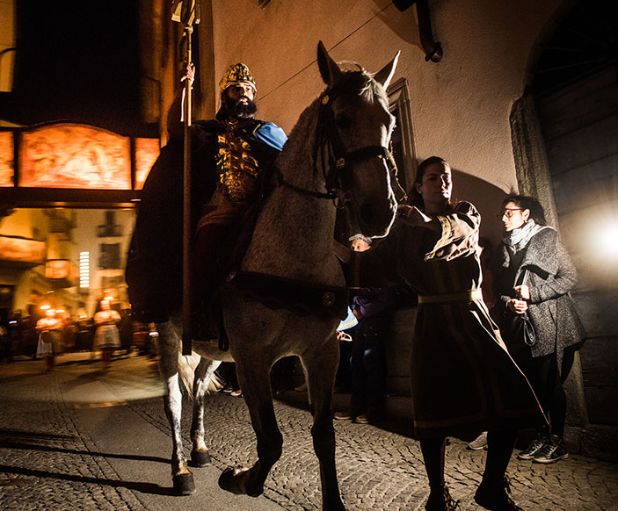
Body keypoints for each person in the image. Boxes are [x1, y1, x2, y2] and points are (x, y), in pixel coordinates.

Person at [353, 156, 544, 510]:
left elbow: (459, 233)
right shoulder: (404, 226)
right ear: (419, 185)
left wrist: (425, 222)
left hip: (472, 316)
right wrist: (358, 248)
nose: (441, 182)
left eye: (445, 176)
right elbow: (379, 265)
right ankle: (437, 494)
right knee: (433, 407)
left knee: (510, 394)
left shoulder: (465, 212)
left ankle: (491, 486)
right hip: (433, 321)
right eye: (432, 177)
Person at [126, 62, 287, 337]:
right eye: (237, 89)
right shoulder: (208, 131)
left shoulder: (268, 131)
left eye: (248, 89)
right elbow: (176, 128)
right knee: (206, 246)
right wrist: (185, 87)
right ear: (226, 95)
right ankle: (196, 310)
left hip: (262, 205)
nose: (244, 94)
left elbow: (290, 159)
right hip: (222, 204)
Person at [495, 194, 585, 464]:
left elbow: (570, 277)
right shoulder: (506, 246)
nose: (503, 217)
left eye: (509, 212)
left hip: (552, 322)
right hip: (523, 328)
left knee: (550, 384)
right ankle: (541, 434)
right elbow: (499, 288)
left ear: (526, 214)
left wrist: (533, 293)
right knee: (533, 386)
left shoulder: (547, 237)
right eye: (503, 213)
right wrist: (510, 302)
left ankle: (557, 440)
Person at [335, 234, 392, 424]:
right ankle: (355, 407)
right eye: (353, 248)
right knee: (356, 363)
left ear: (368, 248)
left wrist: (362, 311)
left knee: (372, 364)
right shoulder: (357, 270)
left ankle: (374, 410)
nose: (354, 251)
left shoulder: (377, 267)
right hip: (362, 320)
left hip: (375, 321)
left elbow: (384, 298)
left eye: (358, 247)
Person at [93, 299, 121, 370]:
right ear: (101, 306)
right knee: (104, 348)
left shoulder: (113, 312)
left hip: (112, 330)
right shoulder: (98, 314)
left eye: (106, 304)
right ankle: (105, 363)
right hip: (103, 331)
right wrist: (105, 320)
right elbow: (97, 322)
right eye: (103, 304)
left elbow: (118, 319)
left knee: (112, 347)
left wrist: (112, 318)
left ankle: (108, 359)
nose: (105, 306)